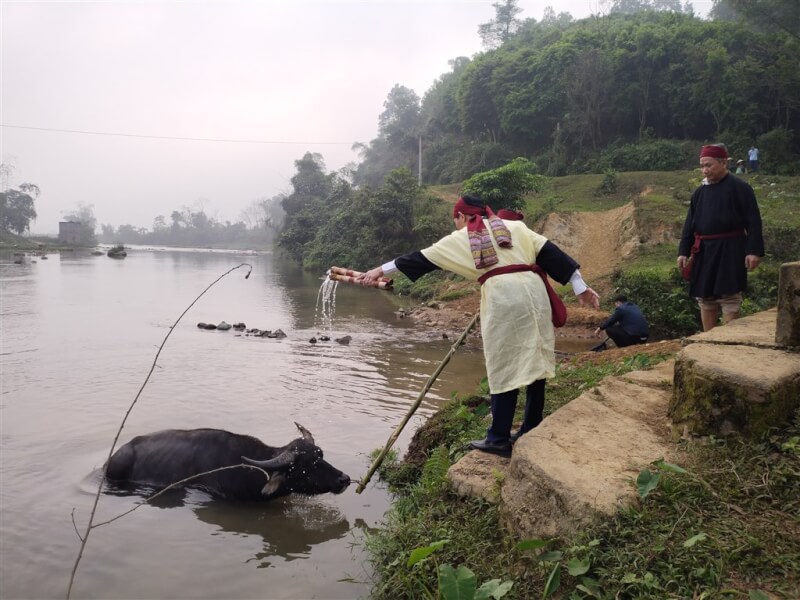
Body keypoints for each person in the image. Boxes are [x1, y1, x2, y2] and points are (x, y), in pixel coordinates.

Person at [357, 195, 600, 457]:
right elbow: (551, 253)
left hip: (504, 297)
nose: (456, 227)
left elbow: (420, 258)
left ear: (462, 217)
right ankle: (531, 426)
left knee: (502, 361)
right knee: (536, 355)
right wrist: (579, 286)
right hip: (535, 293)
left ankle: (498, 439)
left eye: (456, 221)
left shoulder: (462, 238)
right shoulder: (514, 227)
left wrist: (378, 271)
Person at [677, 144, 765, 332]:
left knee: (729, 295)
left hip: (730, 248)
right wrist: (683, 251)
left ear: (723, 162)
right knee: (705, 296)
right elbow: (689, 224)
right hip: (704, 250)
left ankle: (729, 341)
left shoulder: (740, 188)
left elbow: (753, 221)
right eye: (702, 166)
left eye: (709, 165)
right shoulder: (699, 192)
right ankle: (708, 339)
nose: (705, 170)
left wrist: (753, 251)